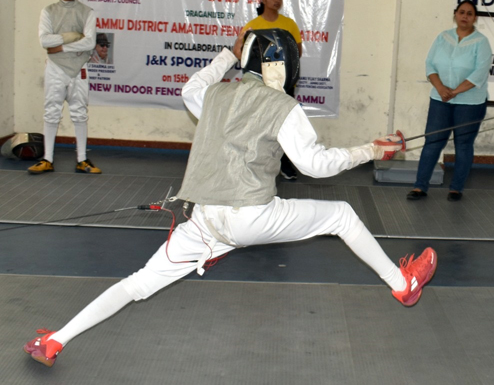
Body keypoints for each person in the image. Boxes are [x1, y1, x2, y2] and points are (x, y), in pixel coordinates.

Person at [23, 28, 438, 368]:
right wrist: (371, 149)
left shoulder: (215, 95)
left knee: (138, 283)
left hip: (204, 220)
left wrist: (227, 53)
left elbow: (191, 88)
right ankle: (403, 284)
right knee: (343, 216)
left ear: (248, 59)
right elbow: (314, 165)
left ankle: (55, 341)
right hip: (251, 216)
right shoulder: (283, 105)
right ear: (284, 65)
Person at [407, 0, 492, 202]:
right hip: (440, 100)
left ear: (475, 18)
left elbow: (479, 73)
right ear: (455, 14)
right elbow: (430, 64)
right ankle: (420, 187)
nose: (465, 16)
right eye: (461, 12)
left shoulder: (481, 42)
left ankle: (456, 188)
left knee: (463, 145)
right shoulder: (442, 38)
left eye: (469, 13)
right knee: (432, 142)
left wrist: (454, 91)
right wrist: (441, 88)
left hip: (470, 103)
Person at [28, 0, 101, 175]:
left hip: (79, 68)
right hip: (55, 67)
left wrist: (60, 45)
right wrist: (71, 36)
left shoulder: (87, 12)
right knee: (51, 113)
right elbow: (44, 40)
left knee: (79, 114)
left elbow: (89, 42)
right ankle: (47, 159)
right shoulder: (48, 11)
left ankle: (82, 159)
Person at [243, 0, 303, 180]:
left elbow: (297, 53)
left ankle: (285, 165)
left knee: (284, 125)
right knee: (258, 126)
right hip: (259, 87)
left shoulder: (289, 25)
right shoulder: (253, 26)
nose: (276, 1)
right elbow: (245, 57)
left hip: (284, 86)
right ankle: (256, 165)